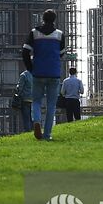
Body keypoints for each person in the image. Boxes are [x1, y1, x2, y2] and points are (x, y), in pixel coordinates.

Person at [22, 9, 65, 141]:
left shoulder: (34, 33)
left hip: (38, 72)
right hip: (54, 73)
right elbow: (62, 53)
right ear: (54, 20)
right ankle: (47, 134)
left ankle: (36, 121)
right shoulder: (59, 34)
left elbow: (25, 51)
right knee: (51, 105)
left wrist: (30, 68)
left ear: (43, 19)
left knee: (36, 101)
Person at [12, 68, 35, 133]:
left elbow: (20, 88)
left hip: (25, 99)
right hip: (33, 99)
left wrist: (17, 93)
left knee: (26, 117)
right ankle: (32, 131)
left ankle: (27, 131)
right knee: (31, 117)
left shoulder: (24, 75)